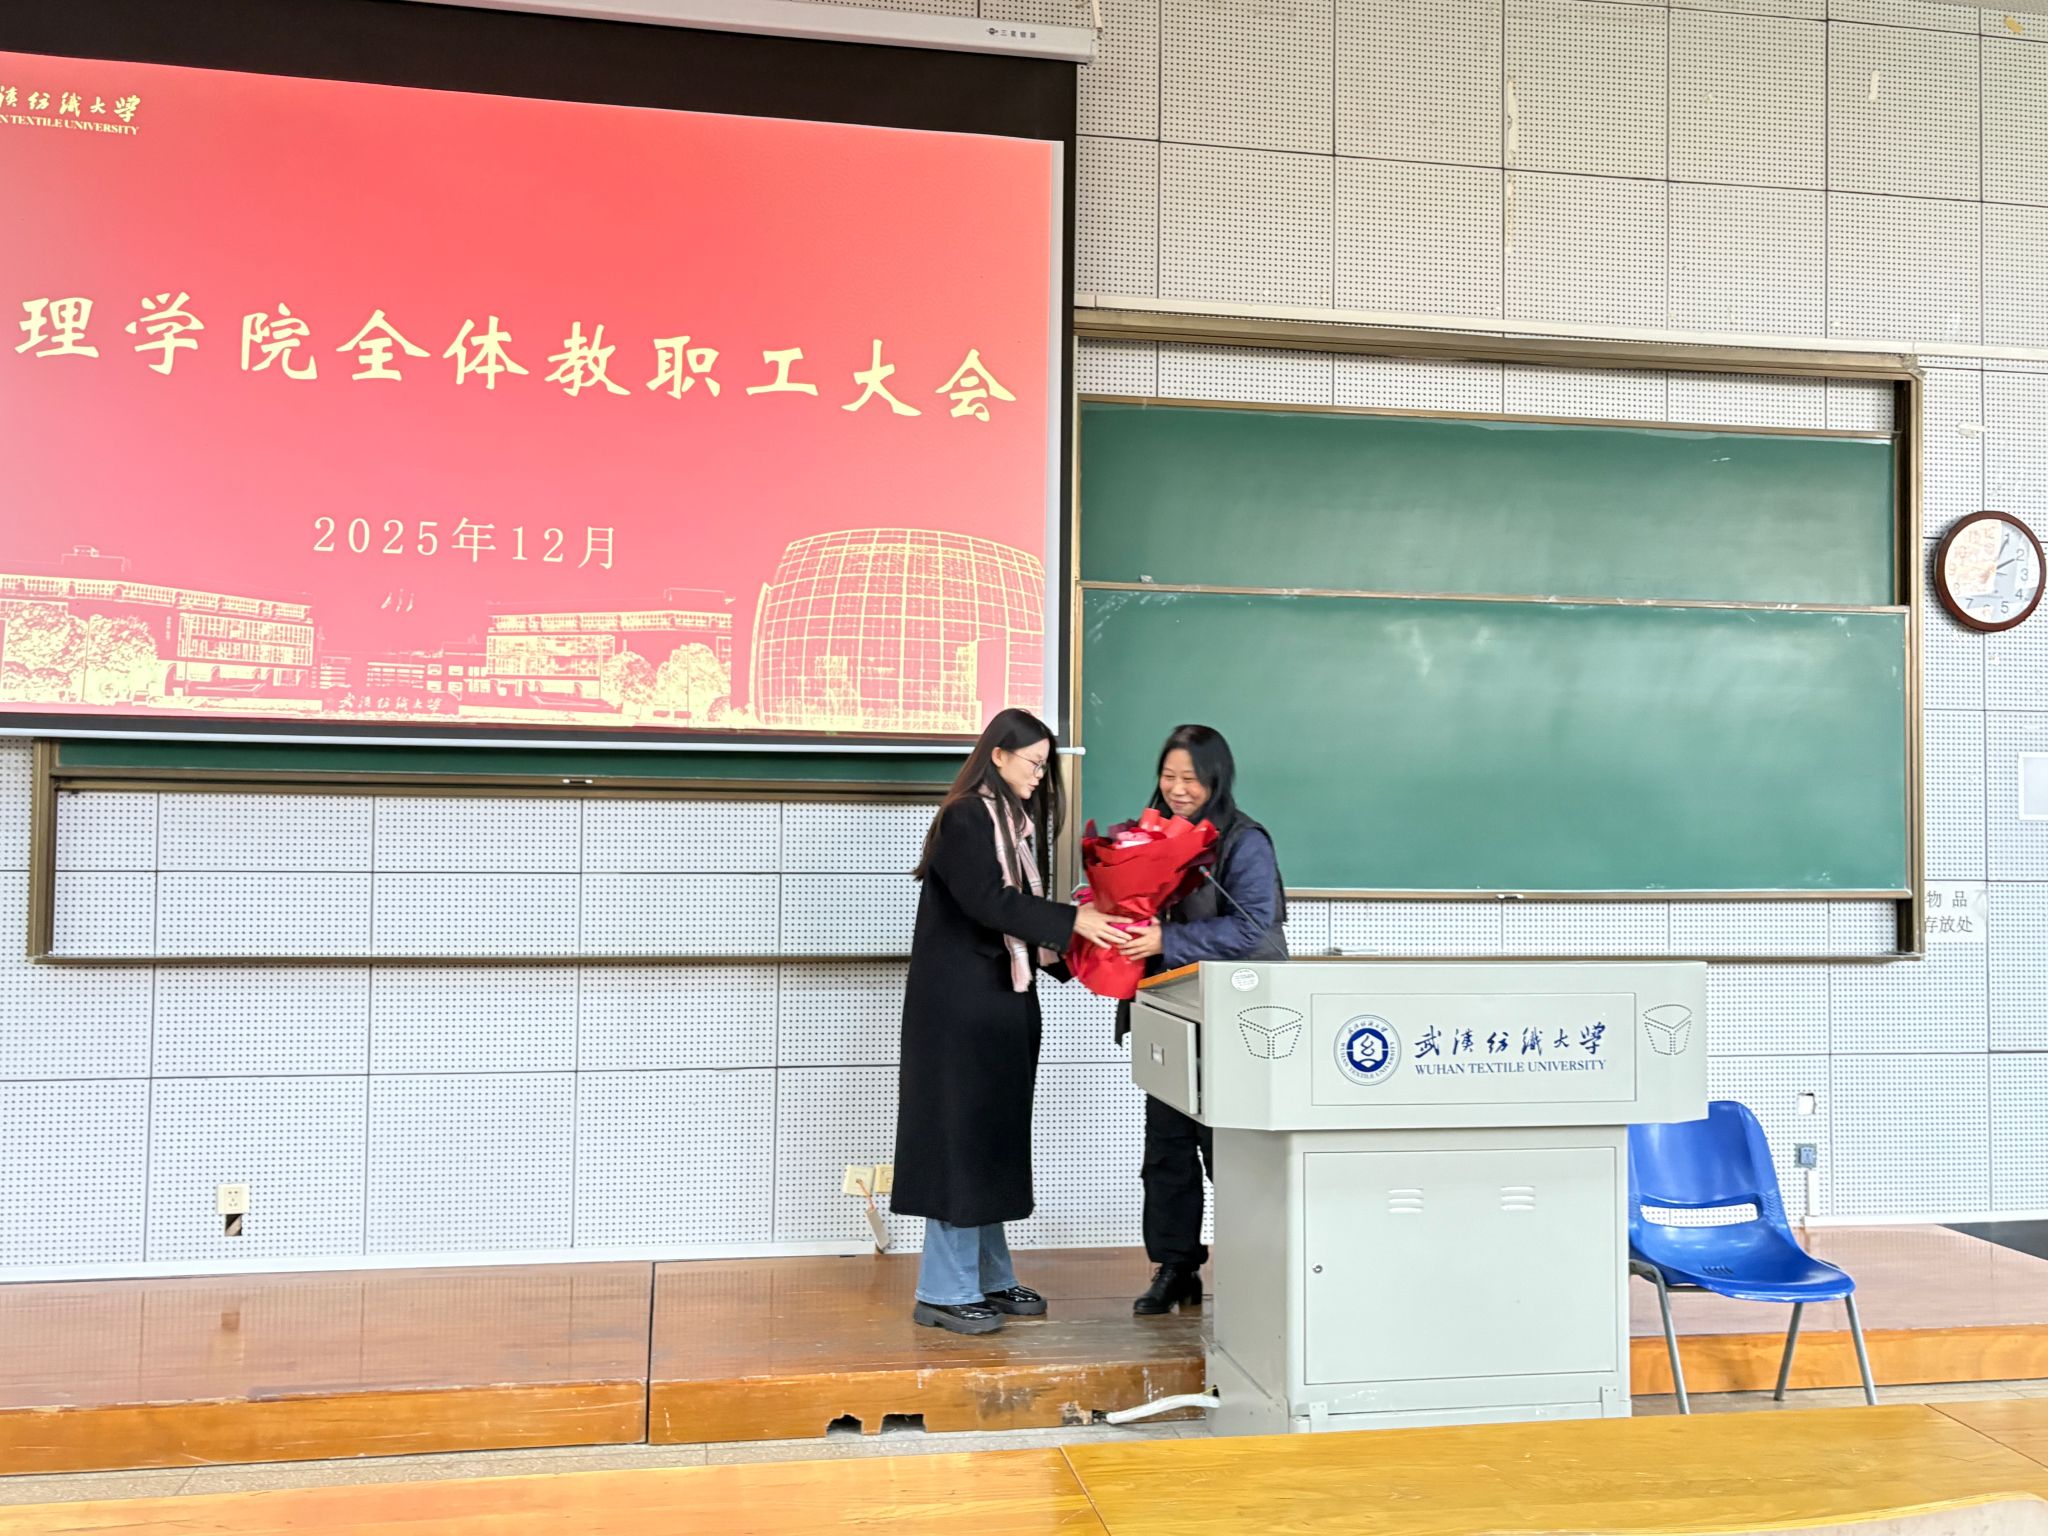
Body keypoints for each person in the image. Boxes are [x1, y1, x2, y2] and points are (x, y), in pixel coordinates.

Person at [891, 708, 1123, 1335]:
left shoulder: (1014, 825)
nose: (1040, 776)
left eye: (1046, 767)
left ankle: (989, 1276)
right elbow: (990, 902)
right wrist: (1072, 921)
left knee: (992, 1140)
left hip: (1001, 1001)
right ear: (998, 755)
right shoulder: (967, 817)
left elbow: (1019, 916)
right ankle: (943, 1290)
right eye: (1034, 763)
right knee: (960, 1143)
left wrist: (1090, 944)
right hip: (959, 1010)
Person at [1115, 724, 1288, 1316]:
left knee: (1229, 1152)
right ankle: (1175, 1267)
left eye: (1190, 778)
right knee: (1167, 1152)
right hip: (1167, 1016)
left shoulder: (1244, 841)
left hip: (1235, 1022)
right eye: (1168, 776)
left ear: (1217, 778)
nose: (1178, 789)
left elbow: (1254, 928)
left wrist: (1168, 939)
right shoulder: (1148, 835)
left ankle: (1255, 1268)